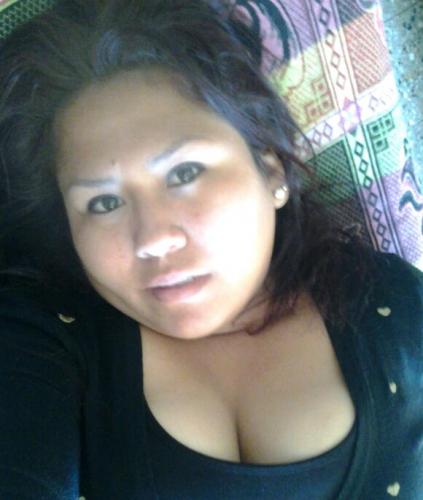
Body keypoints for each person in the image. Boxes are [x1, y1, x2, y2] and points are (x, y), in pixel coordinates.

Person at [0, 1, 422, 499]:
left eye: (184, 173)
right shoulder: (42, 336)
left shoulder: (392, 302)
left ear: (271, 169)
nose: (153, 238)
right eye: (103, 202)